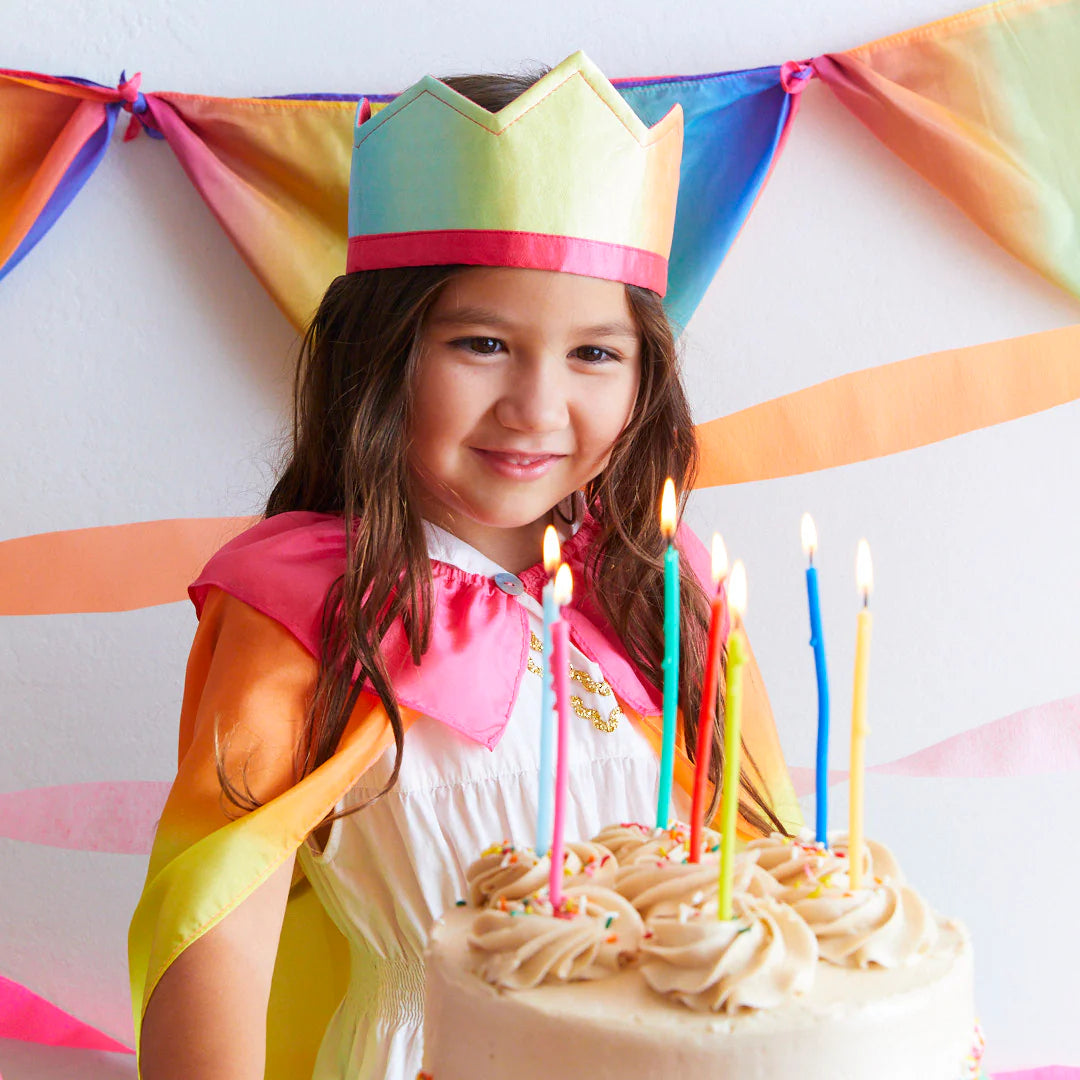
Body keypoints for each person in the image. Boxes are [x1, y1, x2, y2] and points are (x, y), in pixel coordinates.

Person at [130, 52, 801, 1080]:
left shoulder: (665, 586)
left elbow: (763, 866)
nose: (537, 407)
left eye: (593, 355)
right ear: (382, 356)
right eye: (483, 343)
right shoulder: (305, 607)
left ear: (645, 376)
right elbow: (216, 917)